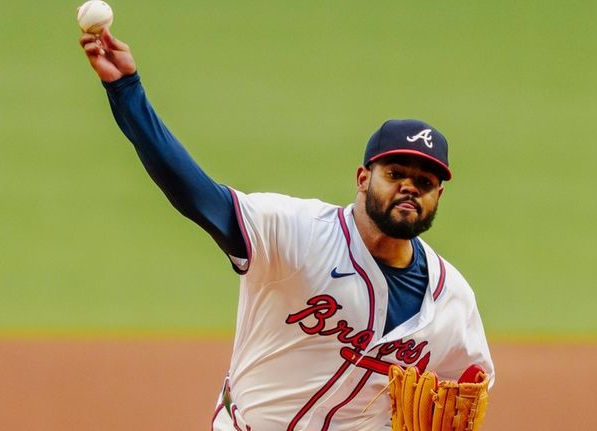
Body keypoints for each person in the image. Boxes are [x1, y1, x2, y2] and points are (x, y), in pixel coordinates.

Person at [79, 28, 495, 431]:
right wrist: (127, 93)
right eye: (396, 173)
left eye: (424, 183)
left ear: (438, 196)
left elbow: (471, 381)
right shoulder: (296, 233)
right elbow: (196, 194)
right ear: (363, 178)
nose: (410, 187)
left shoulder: (452, 299)